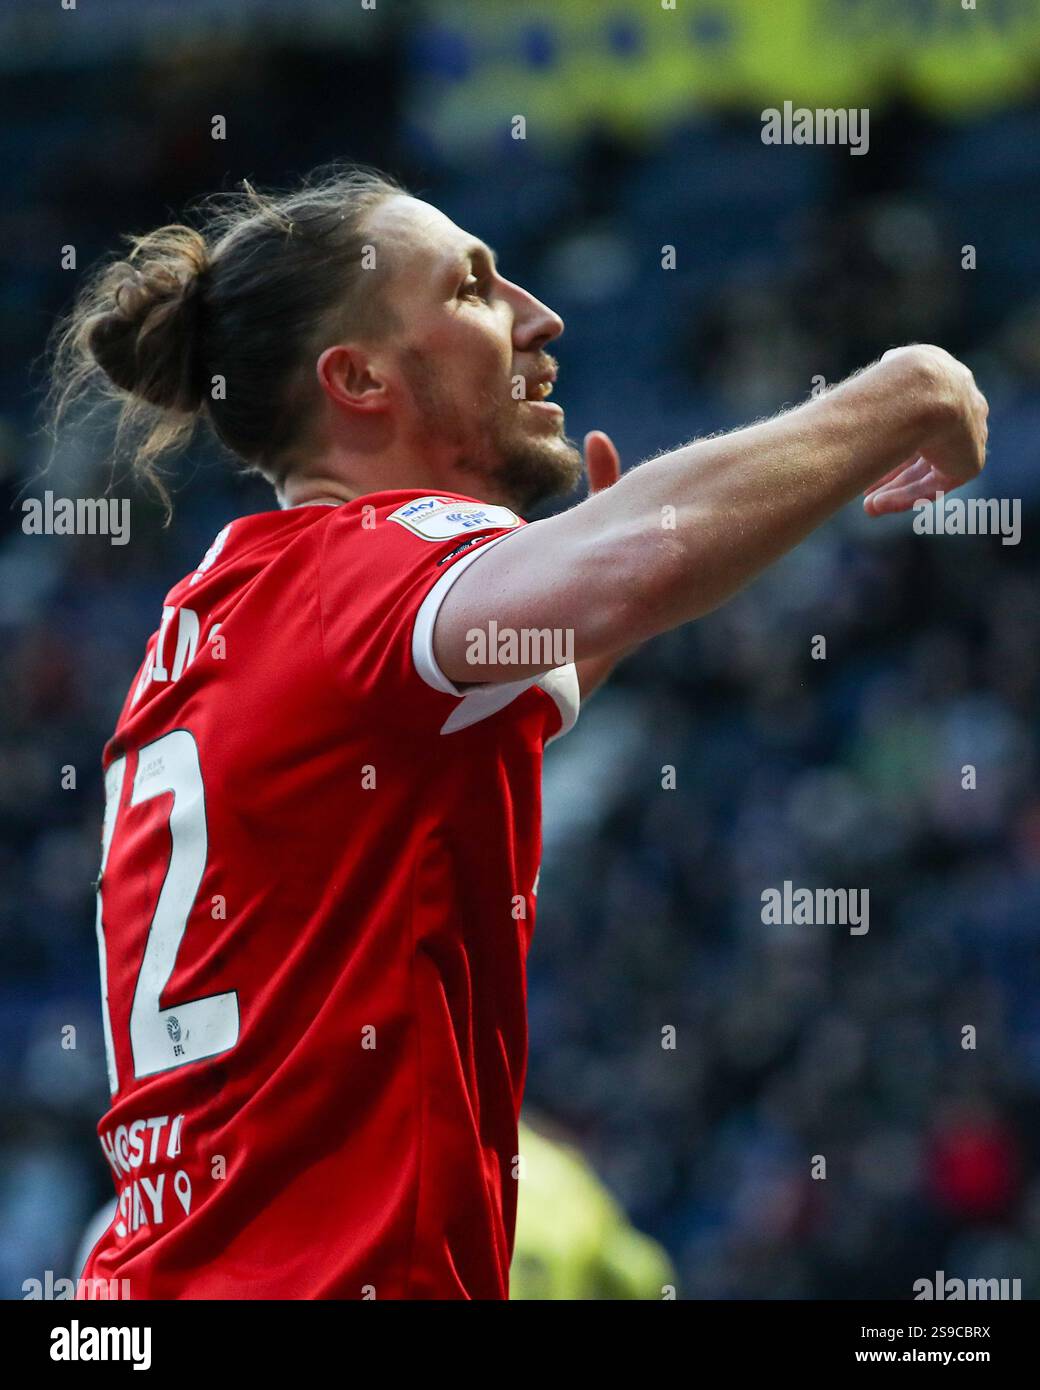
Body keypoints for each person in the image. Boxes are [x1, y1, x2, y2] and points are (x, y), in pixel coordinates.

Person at [52, 165, 987, 1299]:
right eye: (473, 289)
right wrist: (906, 387)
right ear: (356, 379)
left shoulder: (223, 607)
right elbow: (643, 559)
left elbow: (450, 714)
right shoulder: (371, 562)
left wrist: (610, 587)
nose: (539, 318)